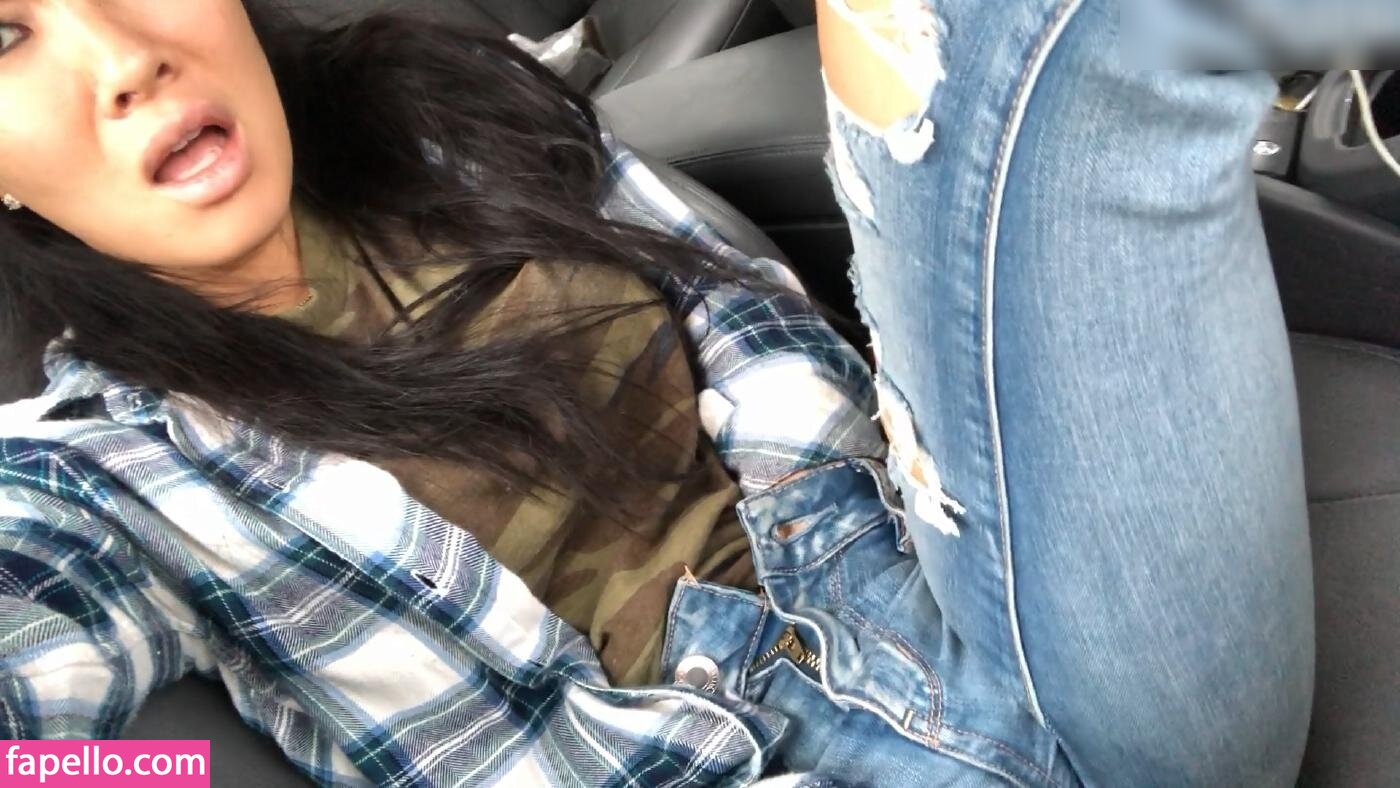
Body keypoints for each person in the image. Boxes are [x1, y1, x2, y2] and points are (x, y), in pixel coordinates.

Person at [0, 0, 1312, 785]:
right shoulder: (96, 475)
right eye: (6, 35)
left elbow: (756, 328)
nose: (127, 56)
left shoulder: (437, 123)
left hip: (959, 580)